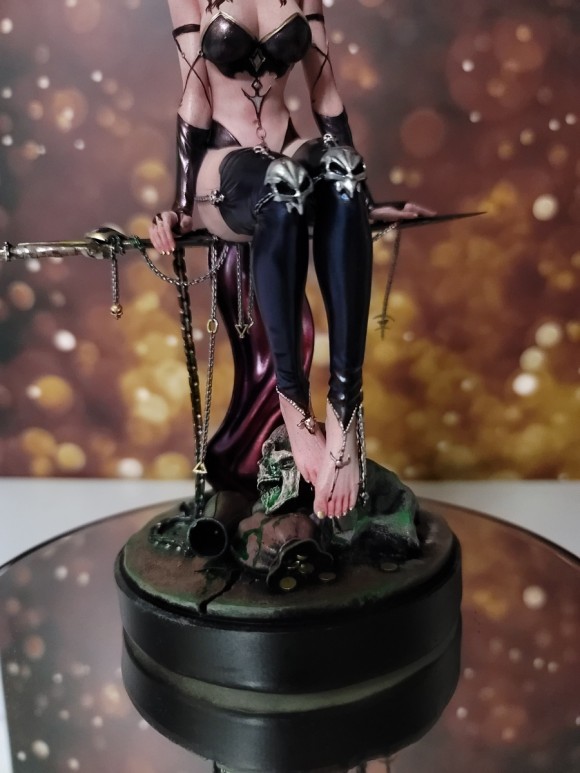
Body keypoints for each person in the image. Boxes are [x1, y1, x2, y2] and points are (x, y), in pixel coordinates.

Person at [149, 0, 432, 518]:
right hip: (223, 158)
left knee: (342, 170)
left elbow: (324, 90)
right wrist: (182, 207)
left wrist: (363, 199)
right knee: (284, 182)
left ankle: (344, 410)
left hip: (290, 144)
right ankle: (294, 403)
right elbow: (195, 95)